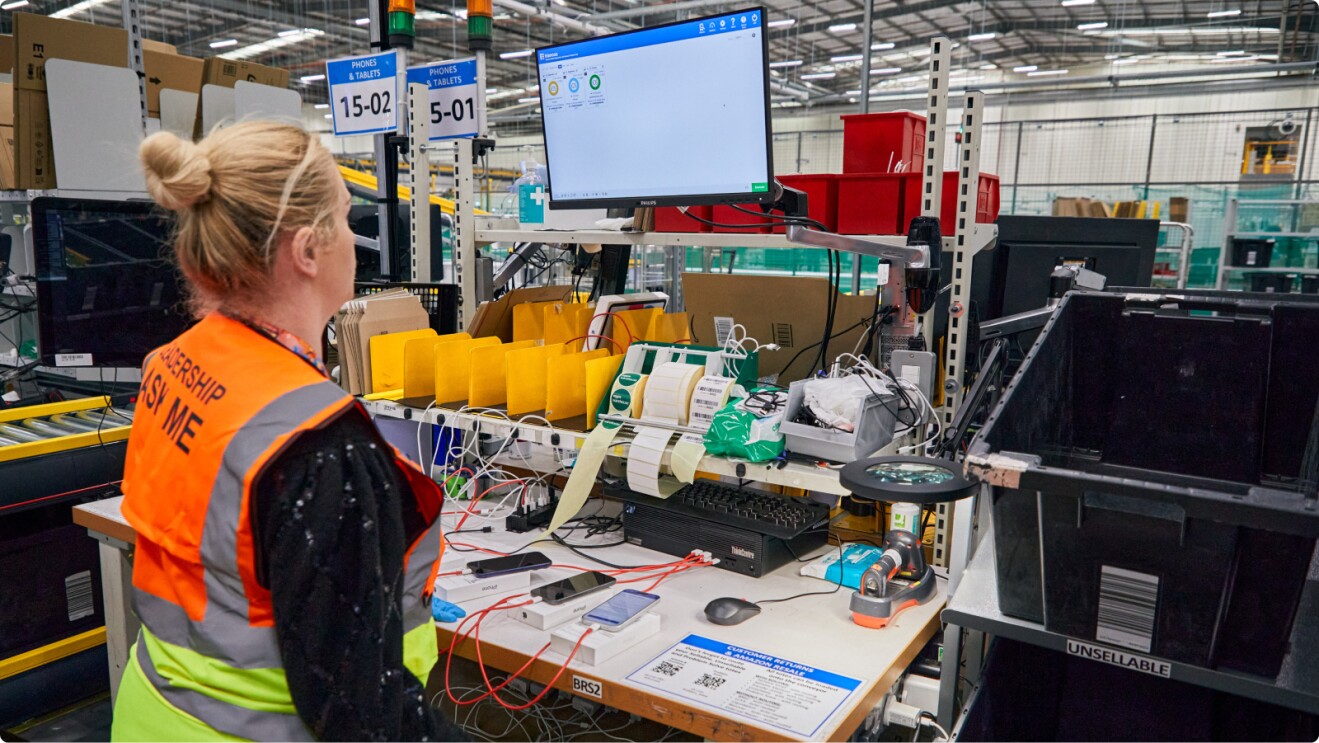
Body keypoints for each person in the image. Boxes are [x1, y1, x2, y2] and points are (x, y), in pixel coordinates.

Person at [111, 121, 463, 742]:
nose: (355, 242)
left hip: (155, 715)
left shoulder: (176, 365)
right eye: (347, 219)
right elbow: (360, 715)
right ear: (307, 251)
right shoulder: (322, 450)